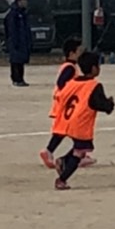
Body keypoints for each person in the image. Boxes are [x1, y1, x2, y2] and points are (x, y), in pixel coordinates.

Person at [51, 51, 115, 190]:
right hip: (80, 123)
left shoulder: (73, 82)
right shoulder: (94, 85)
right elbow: (98, 104)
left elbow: (62, 96)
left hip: (67, 120)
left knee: (78, 146)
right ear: (93, 69)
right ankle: (62, 179)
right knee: (80, 152)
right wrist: (109, 104)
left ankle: (63, 161)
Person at [40, 36, 83, 169]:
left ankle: (80, 153)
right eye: (78, 51)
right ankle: (49, 151)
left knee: (71, 129)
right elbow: (61, 83)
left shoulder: (70, 67)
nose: (80, 54)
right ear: (72, 53)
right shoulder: (69, 68)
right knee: (66, 130)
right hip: (66, 105)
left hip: (66, 104)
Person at [5, 0, 32, 87]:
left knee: (21, 61)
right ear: (19, 1)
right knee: (16, 61)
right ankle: (16, 79)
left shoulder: (23, 13)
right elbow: (11, 29)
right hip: (16, 41)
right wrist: (14, 41)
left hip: (23, 41)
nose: (26, 3)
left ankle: (21, 79)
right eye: (24, 1)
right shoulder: (13, 14)